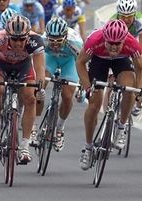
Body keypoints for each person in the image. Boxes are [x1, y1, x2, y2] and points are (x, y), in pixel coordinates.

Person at [76, 19, 142, 170]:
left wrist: (140, 92)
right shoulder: (94, 40)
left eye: (117, 44)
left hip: (121, 61)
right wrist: (88, 86)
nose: (114, 47)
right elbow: (80, 62)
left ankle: (121, 127)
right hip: (99, 60)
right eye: (110, 43)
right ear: (104, 39)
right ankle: (88, 148)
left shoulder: (131, 43)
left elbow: (141, 70)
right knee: (94, 105)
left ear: (124, 40)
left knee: (129, 89)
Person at [0, 14, 46, 163]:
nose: (18, 43)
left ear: (27, 36)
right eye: (14, 39)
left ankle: (24, 145)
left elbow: (40, 67)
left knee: (30, 99)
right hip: (1, 65)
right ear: (8, 35)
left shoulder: (35, 40)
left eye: (22, 39)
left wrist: (40, 88)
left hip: (23, 66)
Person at [29, 17, 83, 152]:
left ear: (65, 36)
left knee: (67, 96)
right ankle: (33, 126)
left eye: (58, 41)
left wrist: (82, 85)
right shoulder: (43, 40)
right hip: (50, 60)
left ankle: (59, 129)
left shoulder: (75, 42)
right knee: (39, 87)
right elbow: (35, 62)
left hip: (69, 62)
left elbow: (82, 64)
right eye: (52, 41)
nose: (54, 45)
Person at [110, 0, 142, 116]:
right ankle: (108, 113)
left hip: (133, 45)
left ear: (134, 14)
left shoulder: (140, 21)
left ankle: (138, 100)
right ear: (118, 14)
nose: (126, 19)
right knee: (111, 81)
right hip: (116, 45)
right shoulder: (113, 22)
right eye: (123, 16)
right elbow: (109, 48)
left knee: (141, 69)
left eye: (129, 16)